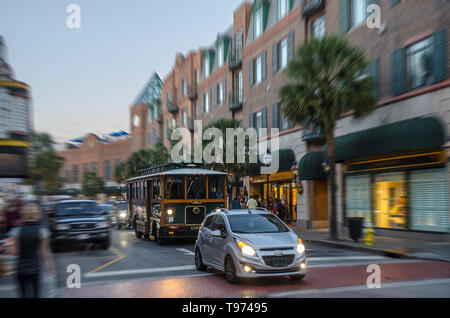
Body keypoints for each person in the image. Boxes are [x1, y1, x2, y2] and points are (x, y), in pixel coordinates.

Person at [8, 199, 53, 298]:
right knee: (36, 294)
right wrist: (48, 265)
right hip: (35, 267)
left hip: (21, 267)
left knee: (23, 295)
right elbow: (44, 251)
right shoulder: (43, 231)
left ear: (23, 215)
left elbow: (14, 252)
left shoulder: (16, 231)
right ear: (36, 214)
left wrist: (8, 246)